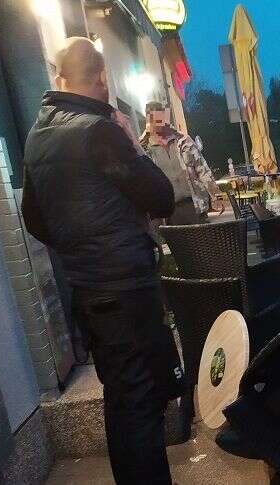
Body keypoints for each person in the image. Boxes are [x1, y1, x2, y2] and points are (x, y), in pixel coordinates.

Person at [20, 38, 181, 485]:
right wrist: (134, 142)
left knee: (122, 400)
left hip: (87, 291)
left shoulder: (37, 136)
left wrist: (80, 248)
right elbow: (161, 197)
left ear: (59, 77)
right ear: (103, 78)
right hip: (127, 290)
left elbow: (33, 218)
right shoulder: (100, 131)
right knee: (143, 402)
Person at [141, 101, 222, 225]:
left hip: (193, 205)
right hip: (165, 212)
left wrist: (216, 196)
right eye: (154, 121)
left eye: (160, 120)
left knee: (202, 237)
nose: (158, 125)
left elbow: (202, 169)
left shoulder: (184, 141)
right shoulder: (144, 149)